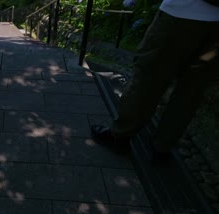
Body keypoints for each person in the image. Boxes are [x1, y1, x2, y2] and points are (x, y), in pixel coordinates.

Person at [91, 1, 219, 162]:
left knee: (147, 79)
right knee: (190, 92)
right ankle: (162, 146)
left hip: (180, 14)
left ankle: (121, 135)